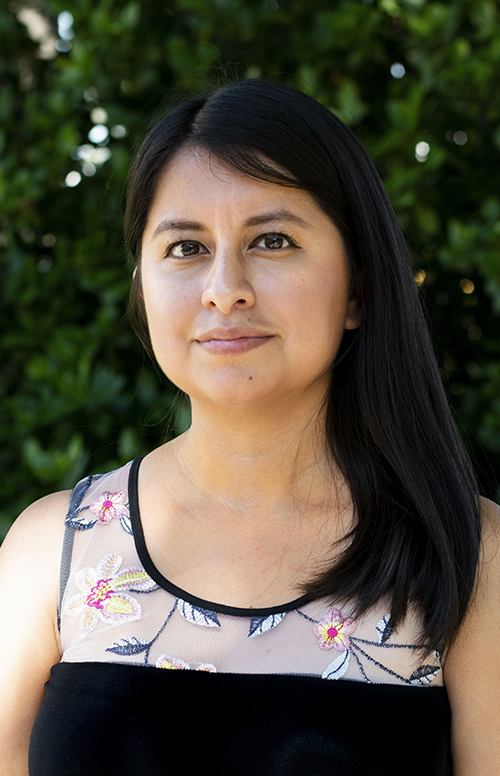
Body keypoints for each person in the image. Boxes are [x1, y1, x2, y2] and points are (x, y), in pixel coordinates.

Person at [0, 79, 499, 776]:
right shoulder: (53, 554)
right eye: (185, 247)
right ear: (142, 287)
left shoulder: (470, 556)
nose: (224, 287)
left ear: (357, 287)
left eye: (271, 240)